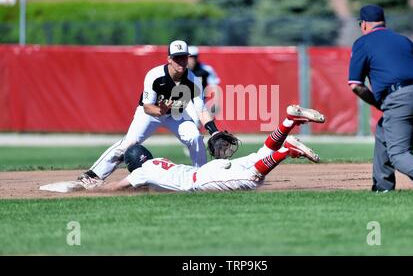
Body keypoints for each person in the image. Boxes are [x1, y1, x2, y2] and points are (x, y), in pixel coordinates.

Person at [78, 40, 226, 187]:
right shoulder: (155, 75)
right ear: (169, 59)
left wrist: (214, 131)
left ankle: (201, 177)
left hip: (176, 115)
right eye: (176, 57)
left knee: (195, 137)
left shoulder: (193, 80)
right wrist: (160, 110)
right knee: (130, 142)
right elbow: (147, 107)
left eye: (183, 57)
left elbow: (201, 110)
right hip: (149, 114)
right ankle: (93, 175)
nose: (180, 61)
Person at [81, 105, 326, 193]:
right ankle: (288, 121)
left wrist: (96, 187)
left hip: (205, 180)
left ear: (133, 164)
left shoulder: (140, 173)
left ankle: (286, 150)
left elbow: (118, 186)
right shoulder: (159, 163)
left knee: (252, 178)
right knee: (262, 152)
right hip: (207, 170)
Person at [348, 4, 413, 196]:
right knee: (383, 130)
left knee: (398, 154)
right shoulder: (403, 40)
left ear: (363, 25)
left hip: (400, 95)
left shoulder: (362, 43)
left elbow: (356, 85)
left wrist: (382, 103)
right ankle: (382, 186)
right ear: (383, 22)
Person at [184, 46, 221, 128]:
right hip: (183, 101)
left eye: (194, 57)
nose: (192, 60)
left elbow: (215, 87)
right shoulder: (180, 70)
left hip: (199, 101)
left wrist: (215, 104)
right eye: (190, 57)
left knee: (196, 124)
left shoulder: (206, 70)